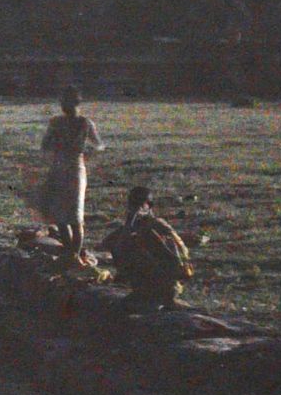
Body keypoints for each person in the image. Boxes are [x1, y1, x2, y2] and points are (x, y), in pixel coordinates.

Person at [39, 88, 103, 267]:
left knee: (72, 217)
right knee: (64, 217)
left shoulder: (80, 123)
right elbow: (98, 146)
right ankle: (71, 254)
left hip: (68, 168)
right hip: (67, 168)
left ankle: (72, 255)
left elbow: (98, 145)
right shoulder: (75, 122)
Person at [101, 186, 193, 306]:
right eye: (132, 204)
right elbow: (107, 244)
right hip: (143, 286)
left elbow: (178, 258)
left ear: (149, 206)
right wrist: (129, 225)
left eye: (139, 204)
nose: (135, 208)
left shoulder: (157, 227)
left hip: (164, 285)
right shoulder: (132, 227)